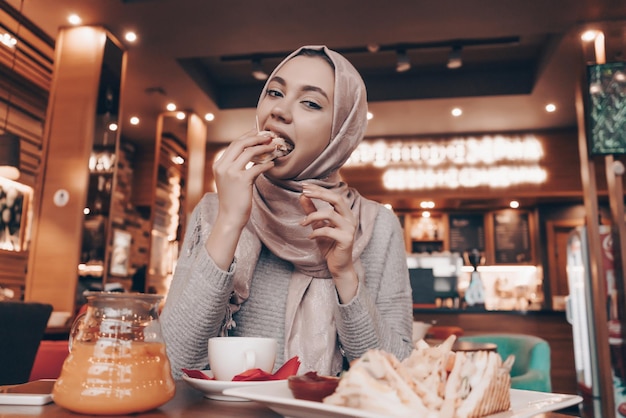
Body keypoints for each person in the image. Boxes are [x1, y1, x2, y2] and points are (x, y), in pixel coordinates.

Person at [161, 45, 413, 379]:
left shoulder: (377, 225)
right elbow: (172, 364)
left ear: (340, 132)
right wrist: (229, 223)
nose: (279, 110)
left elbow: (400, 376)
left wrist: (344, 274)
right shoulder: (215, 209)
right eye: (275, 92)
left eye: (310, 102)